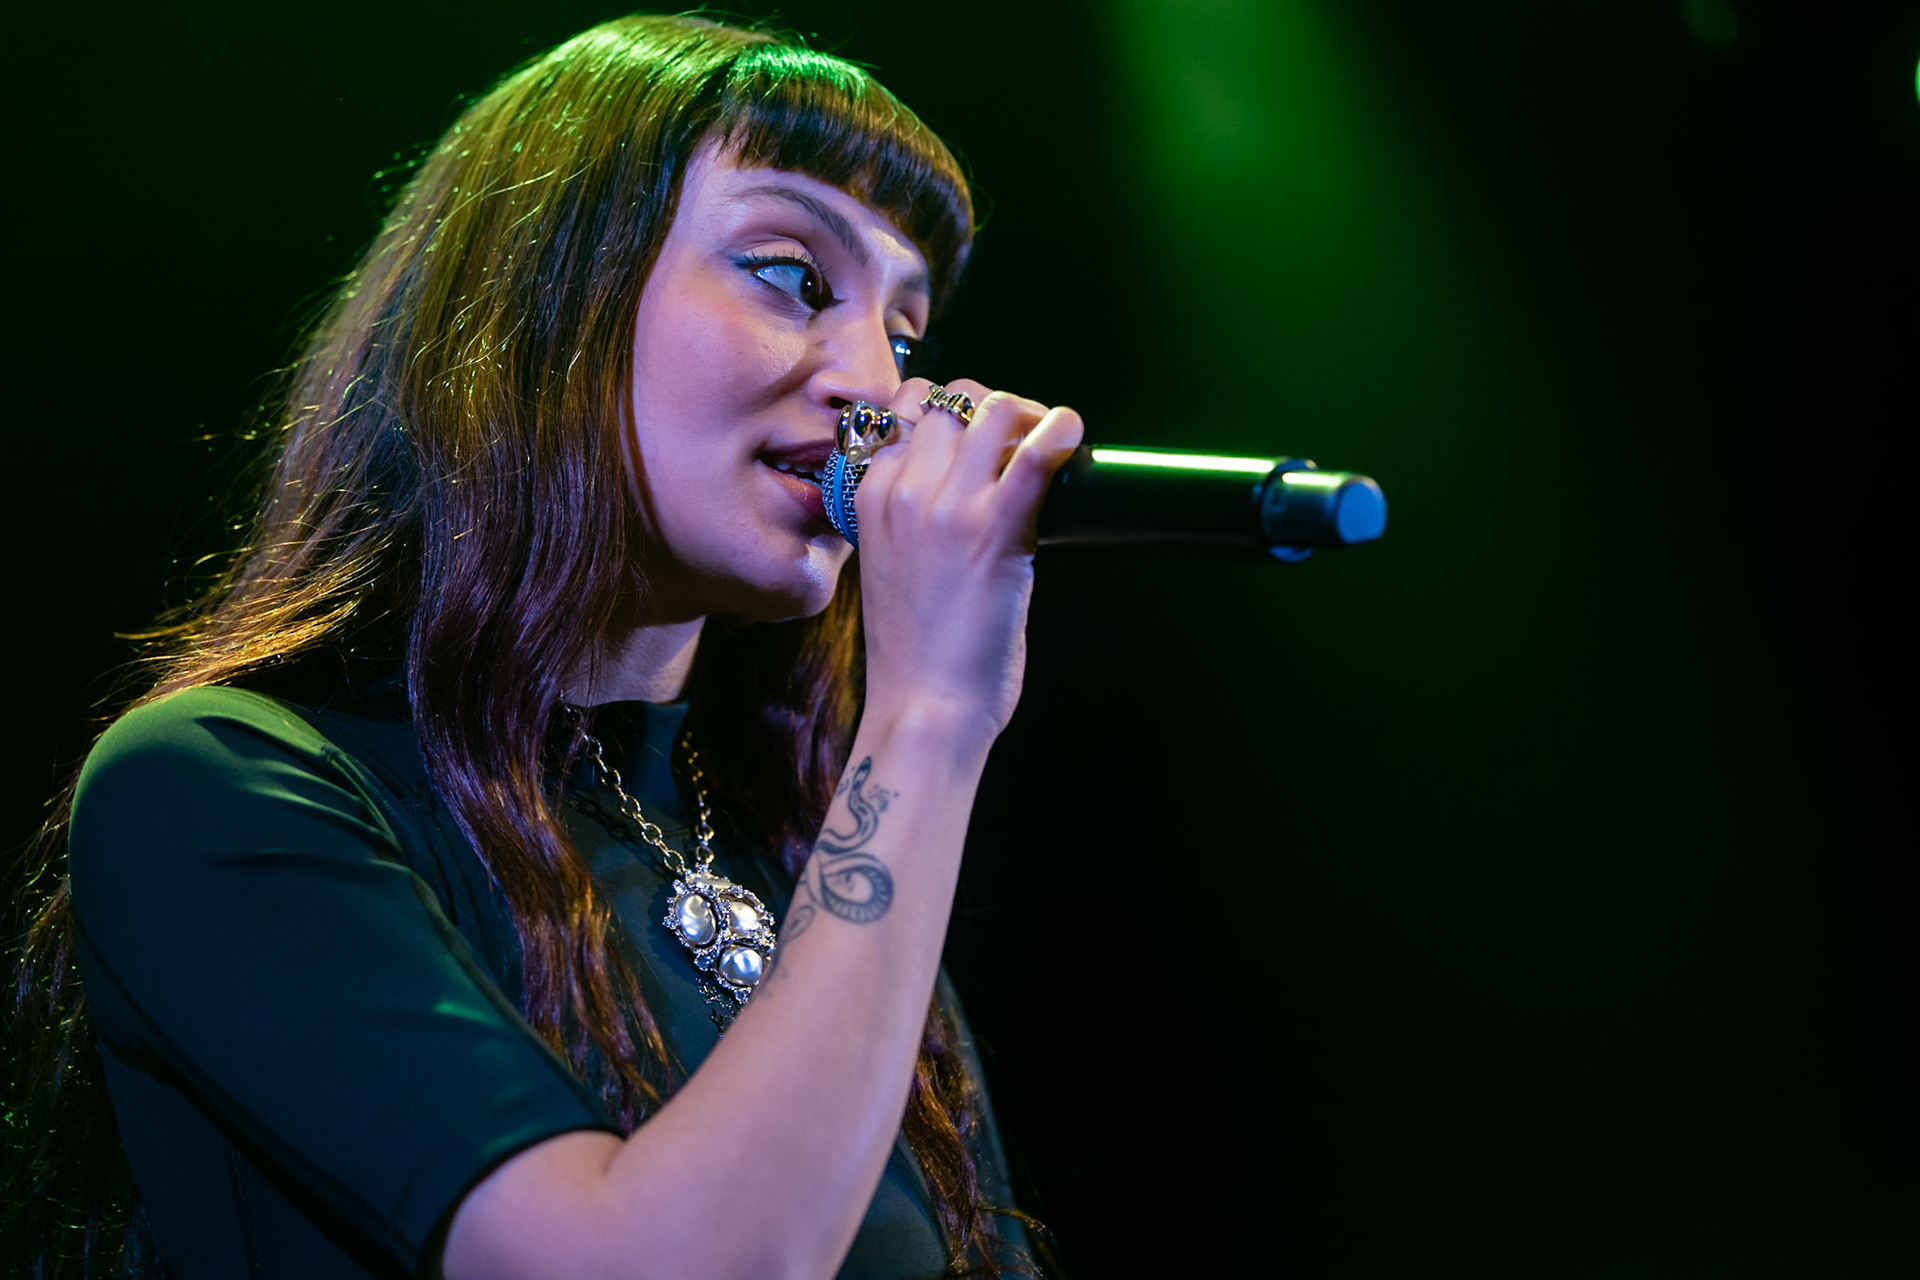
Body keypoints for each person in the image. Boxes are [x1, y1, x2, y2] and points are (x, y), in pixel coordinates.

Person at [6, 14, 1082, 1278]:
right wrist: (931, 716)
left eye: (906, 336)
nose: (879, 387)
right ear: (547, 294)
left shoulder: (801, 854)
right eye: (794, 274)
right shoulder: (216, 789)